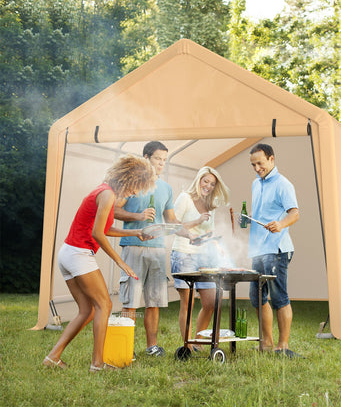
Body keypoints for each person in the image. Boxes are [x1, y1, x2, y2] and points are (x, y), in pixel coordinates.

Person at [43, 155, 156, 372]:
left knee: (87, 310)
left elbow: (102, 228)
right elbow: (97, 233)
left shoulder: (102, 190)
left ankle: (53, 356)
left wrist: (136, 232)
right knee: (105, 305)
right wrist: (120, 261)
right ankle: (97, 364)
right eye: (136, 188)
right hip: (78, 254)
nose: (134, 193)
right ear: (129, 179)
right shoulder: (108, 195)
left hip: (67, 253)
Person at [115, 141, 190, 357]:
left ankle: (152, 347)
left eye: (164, 160)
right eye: (158, 159)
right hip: (133, 247)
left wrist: (191, 235)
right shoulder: (131, 183)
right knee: (130, 301)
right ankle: (126, 348)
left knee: (154, 301)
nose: (161, 164)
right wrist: (138, 216)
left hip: (157, 250)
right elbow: (113, 210)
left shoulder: (166, 188)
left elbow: (172, 220)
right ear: (146, 157)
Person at [246, 143, 301, 358]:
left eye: (260, 163)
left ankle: (283, 345)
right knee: (257, 298)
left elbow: (294, 213)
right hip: (258, 251)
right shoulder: (255, 183)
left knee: (279, 298)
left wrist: (280, 224)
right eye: (253, 164)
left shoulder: (283, 184)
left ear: (271, 159)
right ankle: (266, 342)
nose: (257, 168)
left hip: (276, 250)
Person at [170, 166, 230, 351]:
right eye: (206, 181)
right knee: (188, 303)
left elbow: (208, 232)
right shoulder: (185, 198)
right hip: (183, 254)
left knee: (212, 302)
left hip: (204, 257)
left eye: (212, 184)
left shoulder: (210, 205)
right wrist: (197, 221)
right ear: (198, 180)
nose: (208, 186)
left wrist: (217, 245)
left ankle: (197, 342)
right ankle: (187, 346)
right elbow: (173, 225)